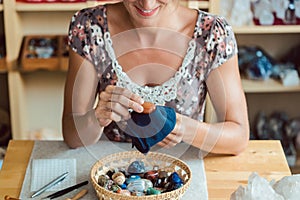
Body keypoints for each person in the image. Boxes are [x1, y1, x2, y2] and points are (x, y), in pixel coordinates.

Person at [62, 0, 249, 155]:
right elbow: (72, 136)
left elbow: (239, 136)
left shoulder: (212, 33)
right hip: (110, 173)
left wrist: (186, 129)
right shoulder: (88, 26)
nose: (147, 4)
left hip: (184, 173)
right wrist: (97, 117)